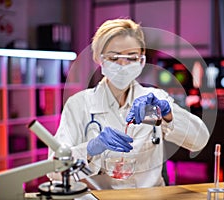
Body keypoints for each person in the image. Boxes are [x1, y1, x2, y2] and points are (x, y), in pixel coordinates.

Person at [50, 18, 210, 190]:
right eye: (114, 57)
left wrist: (168, 114)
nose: (123, 65)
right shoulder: (79, 105)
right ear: (99, 59)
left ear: (141, 61)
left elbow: (200, 141)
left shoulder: (153, 101)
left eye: (131, 58)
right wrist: (90, 149)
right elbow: (54, 170)